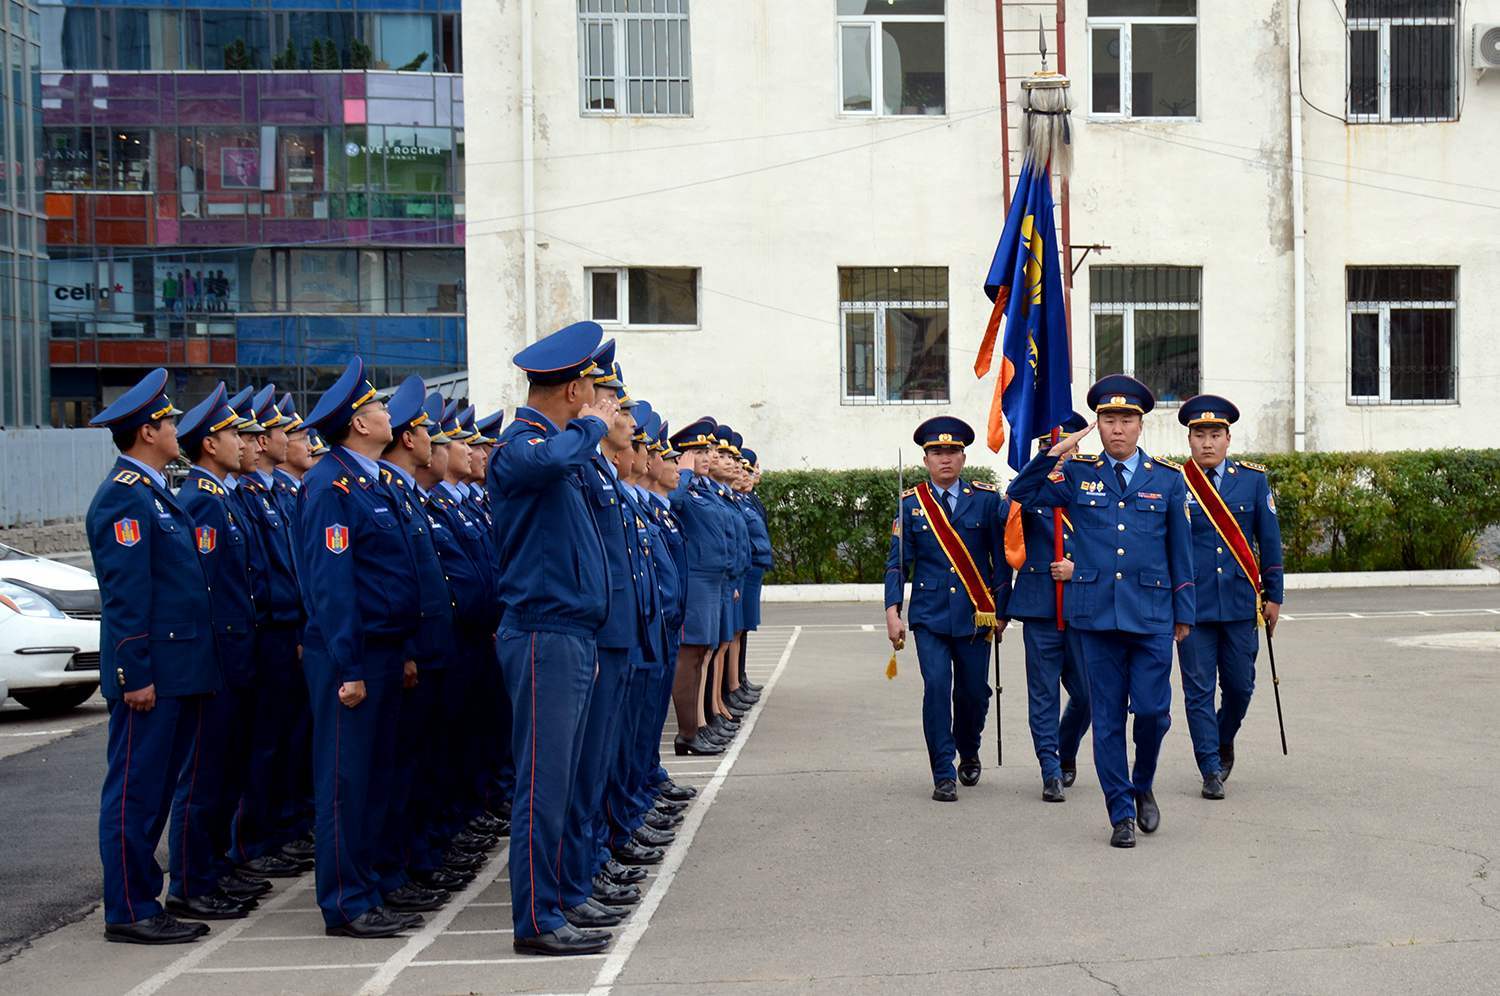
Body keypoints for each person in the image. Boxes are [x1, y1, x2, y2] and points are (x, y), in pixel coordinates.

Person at [1006, 375, 1195, 848]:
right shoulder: (1077, 474)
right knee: (1108, 718)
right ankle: (1120, 812)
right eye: (1108, 420)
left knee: (1153, 713)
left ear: (1140, 426)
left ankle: (1143, 781)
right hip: (1095, 617)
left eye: (1126, 420)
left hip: (1151, 613)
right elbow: (1022, 493)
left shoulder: (1168, 480)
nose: (1117, 428)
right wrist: (1054, 452)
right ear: (1099, 424)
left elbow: (1181, 553)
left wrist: (1184, 611)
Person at [487, 320, 617, 957]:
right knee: (542, 782)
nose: (598, 401)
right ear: (571, 393)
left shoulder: (553, 446)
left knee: (561, 780)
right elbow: (559, 456)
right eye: (591, 390)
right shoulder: (522, 445)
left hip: (569, 634)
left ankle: (560, 898)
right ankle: (535, 919)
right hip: (541, 632)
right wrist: (590, 426)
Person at [87, 368, 221, 944]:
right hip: (153, 678)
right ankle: (130, 909)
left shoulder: (153, 492)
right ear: (147, 432)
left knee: (157, 790)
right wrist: (133, 673)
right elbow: (126, 596)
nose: (176, 427)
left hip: (178, 672)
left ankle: (144, 900)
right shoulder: (123, 497)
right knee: (135, 794)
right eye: (169, 421)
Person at [297, 357, 424, 938]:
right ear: (357, 424)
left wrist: (401, 650)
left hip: (381, 649)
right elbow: (332, 584)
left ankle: (369, 887)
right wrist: (348, 664)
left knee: (374, 778)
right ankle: (346, 902)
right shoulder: (329, 486)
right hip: (348, 655)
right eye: (375, 408)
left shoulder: (369, 480)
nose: (385, 414)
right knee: (346, 782)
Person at [165, 384, 264, 922]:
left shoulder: (222, 496)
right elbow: (202, 586)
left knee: (226, 771)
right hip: (218, 654)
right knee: (201, 776)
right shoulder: (201, 500)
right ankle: (188, 882)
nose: (243, 442)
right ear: (208, 444)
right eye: (232, 434)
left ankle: (215, 866)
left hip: (237, 650)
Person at [883, 416, 1010, 803]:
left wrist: (1002, 608)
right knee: (937, 689)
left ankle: (968, 749)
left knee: (974, 693)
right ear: (925, 459)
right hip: (930, 615)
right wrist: (893, 610)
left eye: (952, 451)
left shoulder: (986, 499)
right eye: (937, 452)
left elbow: (1000, 560)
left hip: (976, 615)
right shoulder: (912, 504)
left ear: (963, 456)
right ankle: (942, 771)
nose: (945, 459)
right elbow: (896, 562)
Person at [374, 375, 464, 914]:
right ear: (407, 439)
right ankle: (377, 880)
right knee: (384, 774)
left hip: (424, 649)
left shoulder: (401, 493)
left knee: (419, 765)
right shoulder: (366, 490)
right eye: (429, 431)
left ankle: (412, 861)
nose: (437, 439)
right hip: (389, 653)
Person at [1175, 395, 1284, 799]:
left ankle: (1224, 738)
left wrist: (1275, 596)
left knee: (1240, 687)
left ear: (1228, 439)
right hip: (1194, 607)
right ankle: (1209, 767)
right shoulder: (1175, 481)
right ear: (1189, 439)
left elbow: (1269, 542)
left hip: (1240, 605)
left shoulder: (1253, 481)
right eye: (1199, 434)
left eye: (1215, 434)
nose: (1207, 442)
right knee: (1198, 690)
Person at [228, 386, 308, 879]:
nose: (265, 442)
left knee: (285, 742)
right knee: (259, 746)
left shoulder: (275, 494)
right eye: (275, 431)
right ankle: (252, 842)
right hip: (261, 635)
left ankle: (279, 831)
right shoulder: (242, 497)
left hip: (285, 630)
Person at [1003, 414, 1091, 803]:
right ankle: (1050, 770)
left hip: (1082, 606)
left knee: (1089, 695)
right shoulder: (1036, 488)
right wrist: (1046, 456)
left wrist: (1080, 571)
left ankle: (1064, 747)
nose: (1060, 456)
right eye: (1051, 448)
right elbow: (1019, 490)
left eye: (1067, 447)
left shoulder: (1092, 488)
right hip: (1041, 606)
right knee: (1043, 695)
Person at [666, 418, 732, 757]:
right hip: (694, 580)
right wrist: (685, 472)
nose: (707, 456)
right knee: (690, 655)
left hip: (711, 580)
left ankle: (698, 727)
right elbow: (671, 504)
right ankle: (688, 732)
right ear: (684, 455)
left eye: (708, 450)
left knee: (703, 652)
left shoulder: (706, 488)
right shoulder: (684, 484)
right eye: (699, 451)